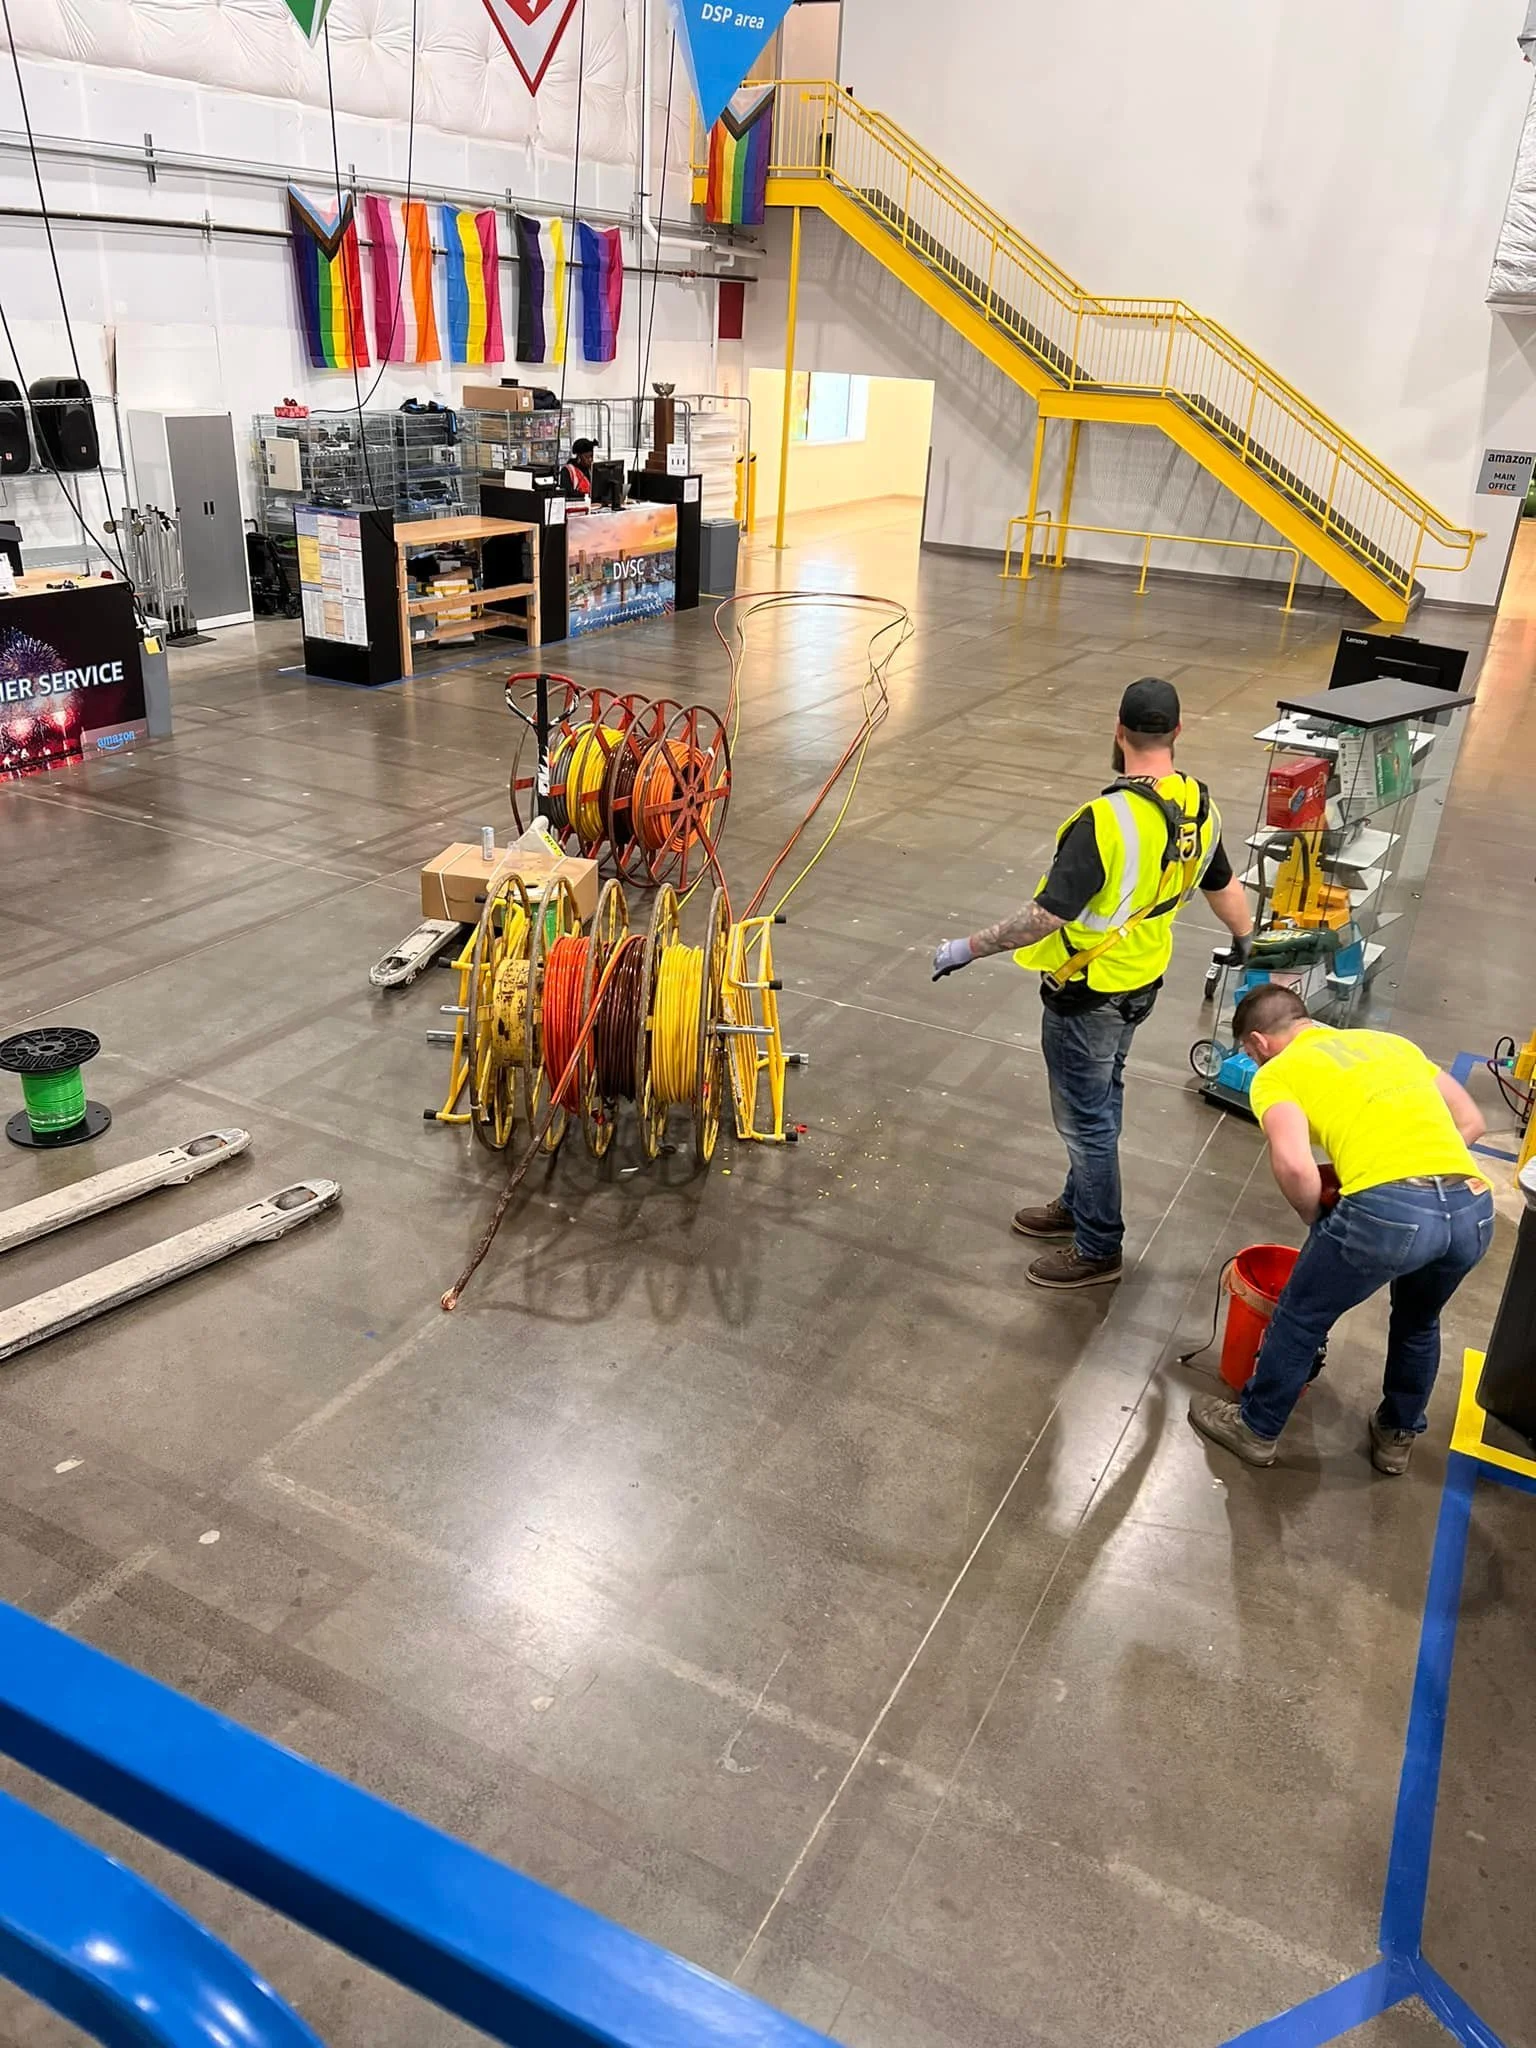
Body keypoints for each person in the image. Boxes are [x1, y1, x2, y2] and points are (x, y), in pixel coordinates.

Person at [932, 678, 1254, 1289]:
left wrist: (966, 948)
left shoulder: (1105, 820)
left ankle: (1098, 1244)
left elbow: (1044, 917)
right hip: (1142, 984)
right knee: (1102, 1098)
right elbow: (1223, 885)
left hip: (1088, 993)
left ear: (1118, 729)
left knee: (1088, 1122)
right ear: (1178, 733)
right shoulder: (1199, 807)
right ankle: (1078, 1205)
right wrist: (1245, 941)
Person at [1189, 984, 1493, 1474]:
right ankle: (1397, 1434)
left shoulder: (1279, 1073)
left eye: (1249, 1052)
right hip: (1472, 1208)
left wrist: (1320, 1220)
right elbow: (1472, 1122)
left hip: (1390, 1214)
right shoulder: (1391, 1045)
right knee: (1419, 1321)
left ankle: (1256, 1428)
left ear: (1258, 1043)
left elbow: (1294, 1167)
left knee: (1300, 1317)